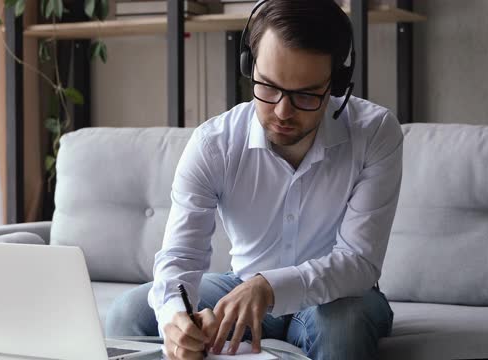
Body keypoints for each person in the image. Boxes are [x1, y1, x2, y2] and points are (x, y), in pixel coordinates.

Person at [106, 0, 402, 359]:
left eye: (306, 95)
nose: (282, 111)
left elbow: (358, 261)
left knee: (342, 326)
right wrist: (175, 319)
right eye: (268, 86)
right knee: (129, 314)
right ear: (249, 66)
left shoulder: (376, 133)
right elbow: (180, 255)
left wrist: (271, 287)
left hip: (341, 297)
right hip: (243, 284)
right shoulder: (214, 144)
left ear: (336, 84)